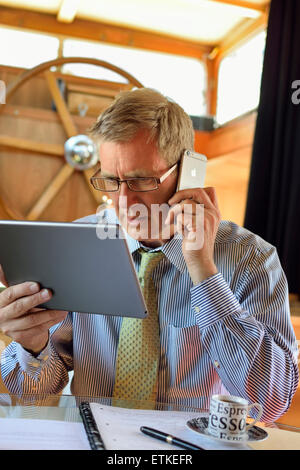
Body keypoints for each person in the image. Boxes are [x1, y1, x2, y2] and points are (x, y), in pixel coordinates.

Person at [0, 88, 298, 422]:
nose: (123, 203)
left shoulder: (251, 259)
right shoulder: (76, 243)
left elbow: (270, 403)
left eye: (141, 180)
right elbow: (31, 391)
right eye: (111, 180)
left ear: (187, 173)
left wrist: (204, 270)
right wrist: (32, 344)